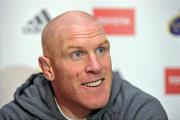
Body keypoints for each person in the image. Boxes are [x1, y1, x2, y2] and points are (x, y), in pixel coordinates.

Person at [0, 10, 168, 120]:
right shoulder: (13, 117)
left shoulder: (142, 113)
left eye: (101, 50)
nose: (95, 67)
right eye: (77, 54)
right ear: (48, 69)